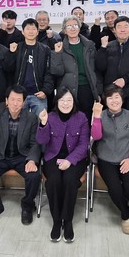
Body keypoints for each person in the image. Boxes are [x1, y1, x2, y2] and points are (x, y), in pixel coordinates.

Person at [0, 85, 42, 225]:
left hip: (22, 156)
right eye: (12, 99)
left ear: (24, 102)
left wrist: (32, 160)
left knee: (34, 176)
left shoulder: (31, 118)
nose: (15, 103)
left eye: (19, 100)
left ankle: (27, 206)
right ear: (6, 100)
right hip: (1, 156)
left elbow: (35, 143)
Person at [91, 86, 129, 235]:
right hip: (106, 159)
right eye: (110, 98)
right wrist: (96, 117)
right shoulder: (101, 115)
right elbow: (96, 136)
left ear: (122, 99)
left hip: (128, 158)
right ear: (105, 101)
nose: (114, 101)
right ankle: (126, 214)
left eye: (117, 97)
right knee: (114, 188)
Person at [37, 88, 89, 243]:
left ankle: (67, 220)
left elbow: (84, 144)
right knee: (53, 181)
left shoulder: (81, 118)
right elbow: (41, 141)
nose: (65, 103)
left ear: (74, 102)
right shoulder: (50, 117)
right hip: (53, 157)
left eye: (69, 100)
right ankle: (56, 220)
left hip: (75, 159)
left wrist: (70, 160)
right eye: (62, 100)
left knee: (70, 180)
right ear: (57, 101)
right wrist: (43, 123)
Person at [50, 15, 101, 120]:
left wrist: (98, 91)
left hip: (87, 88)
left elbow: (96, 70)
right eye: (69, 26)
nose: (72, 28)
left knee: (86, 120)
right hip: (67, 89)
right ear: (64, 30)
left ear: (79, 27)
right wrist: (57, 54)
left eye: (75, 25)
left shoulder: (89, 45)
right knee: (69, 120)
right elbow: (56, 72)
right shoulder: (59, 47)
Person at [95, 15, 129, 114]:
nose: (122, 30)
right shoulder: (108, 46)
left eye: (126, 26)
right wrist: (103, 48)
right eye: (119, 27)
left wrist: (125, 79)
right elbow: (100, 67)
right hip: (111, 93)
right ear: (114, 30)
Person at [9, 18, 54, 116]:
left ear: (37, 32)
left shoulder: (45, 49)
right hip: (19, 95)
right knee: (18, 123)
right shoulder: (17, 48)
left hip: (38, 95)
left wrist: (45, 90)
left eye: (33, 29)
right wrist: (11, 53)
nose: (31, 32)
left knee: (40, 122)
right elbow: (8, 69)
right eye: (28, 29)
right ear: (22, 32)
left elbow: (49, 71)